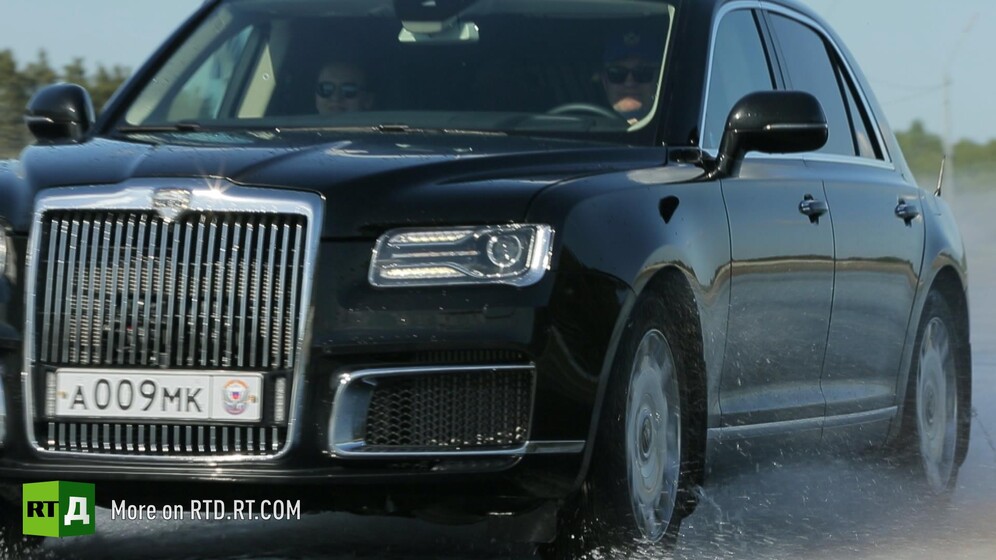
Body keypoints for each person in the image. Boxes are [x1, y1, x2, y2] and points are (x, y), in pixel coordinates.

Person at [600, 31, 663, 124]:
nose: (629, 83)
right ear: (605, 82)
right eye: (617, 73)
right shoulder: (582, 132)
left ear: (658, 79)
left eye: (642, 72)